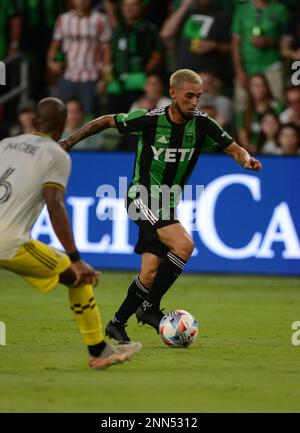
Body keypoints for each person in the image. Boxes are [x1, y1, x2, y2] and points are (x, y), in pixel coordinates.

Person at [59, 69, 262, 343]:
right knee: (184, 245)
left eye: (198, 97)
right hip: (140, 196)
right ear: (173, 93)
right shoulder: (149, 120)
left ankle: (117, 323)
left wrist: (246, 160)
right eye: (189, 96)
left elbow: (234, 148)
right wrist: (70, 140)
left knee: (150, 273)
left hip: (166, 204)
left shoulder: (202, 125)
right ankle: (150, 308)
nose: (194, 102)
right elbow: (107, 121)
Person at [0, 97, 141, 367]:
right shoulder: (56, 155)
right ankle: (98, 351)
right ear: (63, 126)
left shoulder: (5, 145)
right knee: (79, 277)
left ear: (33, 121)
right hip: (8, 241)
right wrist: (75, 258)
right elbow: (55, 204)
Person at [47, 0, 111, 116]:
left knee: (89, 117)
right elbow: (55, 44)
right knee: (63, 115)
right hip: (67, 75)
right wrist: (51, 62)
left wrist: (105, 79)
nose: (81, 1)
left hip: (91, 77)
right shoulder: (63, 19)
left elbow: (107, 50)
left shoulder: (100, 19)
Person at [232, 0, 289, 110]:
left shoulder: (280, 9)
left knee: (278, 103)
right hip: (246, 66)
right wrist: (239, 71)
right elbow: (235, 42)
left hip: (271, 65)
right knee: (241, 106)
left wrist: (269, 42)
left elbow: (286, 39)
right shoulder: (241, 9)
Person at [236, 74, 284, 153]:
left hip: (279, 152)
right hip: (255, 154)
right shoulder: (243, 114)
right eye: (254, 85)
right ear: (249, 88)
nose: (258, 88)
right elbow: (244, 143)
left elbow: (286, 131)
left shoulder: (277, 107)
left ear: (267, 87)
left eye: (261, 85)